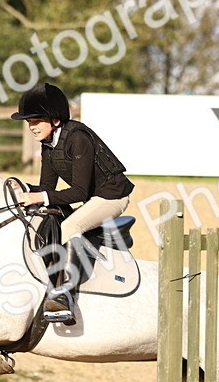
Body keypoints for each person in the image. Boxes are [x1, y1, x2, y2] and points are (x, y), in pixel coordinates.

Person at [10, 82, 135, 321]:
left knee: (70, 226)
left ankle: (64, 294)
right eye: (29, 122)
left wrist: (40, 196)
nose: (31, 127)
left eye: (36, 121)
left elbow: (78, 192)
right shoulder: (48, 144)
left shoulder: (77, 138)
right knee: (47, 215)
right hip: (92, 196)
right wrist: (25, 188)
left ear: (54, 119)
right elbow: (47, 189)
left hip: (113, 196)